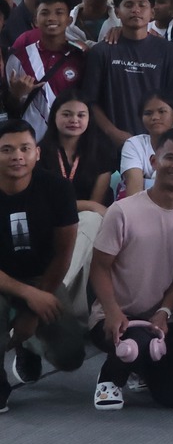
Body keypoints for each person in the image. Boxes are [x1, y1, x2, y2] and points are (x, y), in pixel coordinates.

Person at [85, 130, 173, 410]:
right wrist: (112, 312)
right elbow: (99, 268)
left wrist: (164, 312)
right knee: (137, 343)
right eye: (170, 157)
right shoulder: (122, 211)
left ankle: (140, 366)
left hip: (156, 320)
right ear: (153, 161)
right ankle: (110, 377)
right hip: (113, 316)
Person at [0, 118, 84, 406]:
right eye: (7, 150)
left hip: (43, 276)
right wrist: (27, 295)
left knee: (70, 356)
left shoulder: (58, 188)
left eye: (24, 148)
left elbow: (63, 253)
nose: (17, 156)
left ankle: (28, 345)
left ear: (37, 153)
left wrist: (33, 311)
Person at [83, 0, 173, 146]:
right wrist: (112, 132)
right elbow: (90, 101)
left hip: (155, 143)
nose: (135, 10)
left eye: (142, 5)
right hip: (109, 144)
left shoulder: (167, 50)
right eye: (128, 5)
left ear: (152, 12)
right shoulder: (102, 51)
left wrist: (162, 136)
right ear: (117, 12)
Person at [6, 0, 86, 138]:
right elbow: (10, 110)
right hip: (31, 142)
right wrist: (16, 96)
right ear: (35, 21)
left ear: (69, 20)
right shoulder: (18, 58)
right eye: (45, 13)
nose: (51, 18)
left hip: (70, 140)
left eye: (59, 12)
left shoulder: (81, 57)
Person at [41, 93, 117, 212]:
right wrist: (88, 205)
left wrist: (89, 206)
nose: (74, 120)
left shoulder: (102, 150)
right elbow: (42, 200)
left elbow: (96, 204)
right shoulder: (39, 152)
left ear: (89, 118)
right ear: (54, 116)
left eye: (81, 115)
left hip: (90, 216)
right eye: (66, 114)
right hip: (51, 215)